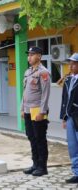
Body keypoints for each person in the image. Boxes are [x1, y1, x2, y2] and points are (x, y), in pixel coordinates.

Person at [21, 47, 51, 176]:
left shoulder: (43, 72)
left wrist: (42, 111)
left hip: (37, 110)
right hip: (28, 109)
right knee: (31, 137)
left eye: (32, 55)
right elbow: (25, 92)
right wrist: (22, 108)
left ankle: (42, 167)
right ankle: (35, 164)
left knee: (40, 138)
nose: (29, 57)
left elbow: (45, 94)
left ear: (39, 56)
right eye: (29, 55)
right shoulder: (28, 72)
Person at [60, 53, 78, 184]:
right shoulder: (68, 80)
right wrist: (64, 117)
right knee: (73, 146)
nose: (71, 66)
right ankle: (77, 172)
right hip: (70, 117)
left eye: (74, 63)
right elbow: (64, 100)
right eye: (70, 63)